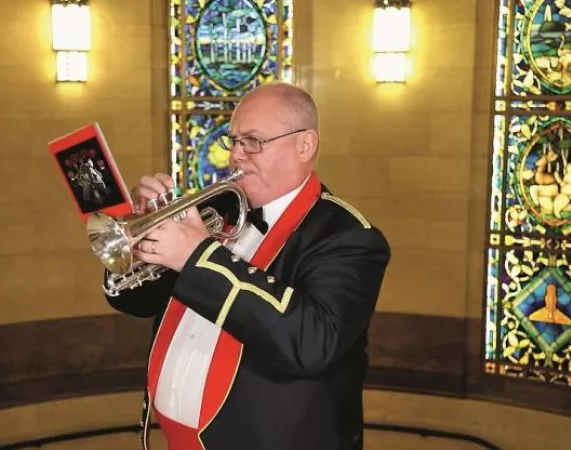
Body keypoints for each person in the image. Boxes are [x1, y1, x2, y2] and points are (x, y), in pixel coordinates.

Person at [103, 82, 391, 450]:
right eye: (233, 141)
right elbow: (133, 301)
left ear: (305, 145)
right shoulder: (218, 213)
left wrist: (196, 257)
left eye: (253, 141)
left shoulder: (348, 236)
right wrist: (143, 244)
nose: (236, 156)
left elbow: (310, 342)